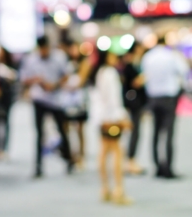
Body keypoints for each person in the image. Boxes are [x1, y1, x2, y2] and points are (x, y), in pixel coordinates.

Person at [20, 36, 74, 178]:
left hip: (56, 99)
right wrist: (36, 80)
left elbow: (66, 75)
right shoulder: (31, 59)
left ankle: (69, 160)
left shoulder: (59, 57)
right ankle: (38, 166)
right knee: (39, 133)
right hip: (39, 99)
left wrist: (54, 84)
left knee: (62, 130)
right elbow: (24, 79)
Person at [141, 36, 188, 179]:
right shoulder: (171, 56)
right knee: (168, 133)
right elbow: (184, 70)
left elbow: (144, 75)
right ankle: (168, 167)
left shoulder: (148, 57)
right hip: (168, 97)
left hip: (153, 97)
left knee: (155, 133)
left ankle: (157, 166)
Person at [94, 50, 132, 205]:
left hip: (102, 118)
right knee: (117, 152)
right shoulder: (110, 73)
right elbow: (114, 99)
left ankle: (105, 189)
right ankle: (119, 190)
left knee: (104, 152)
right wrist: (121, 117)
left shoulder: (100, 72)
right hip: (111, 118)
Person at [61, 40, 92, 169]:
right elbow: (61, 79)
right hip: (67, 100)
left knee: (80, 128)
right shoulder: (65, 63)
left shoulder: (84, 63)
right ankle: (69, 154)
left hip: (80, 99)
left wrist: (70, 85)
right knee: (66, 127)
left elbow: (81, 80)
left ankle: (81, 155)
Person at [121, 42, 147, 175]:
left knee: (135, 132)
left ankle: (131, 160)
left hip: (136, 103)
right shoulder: (130, 65)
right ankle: (130, 161)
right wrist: (145, 77)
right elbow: (134, 83)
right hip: (132, 103)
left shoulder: (135, 64)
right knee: (134, 132)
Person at [0, 47, 18, 158]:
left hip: (6, 99)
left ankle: (4, 148)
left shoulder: (10, 66)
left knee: (6, 124)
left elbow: (15, 79)